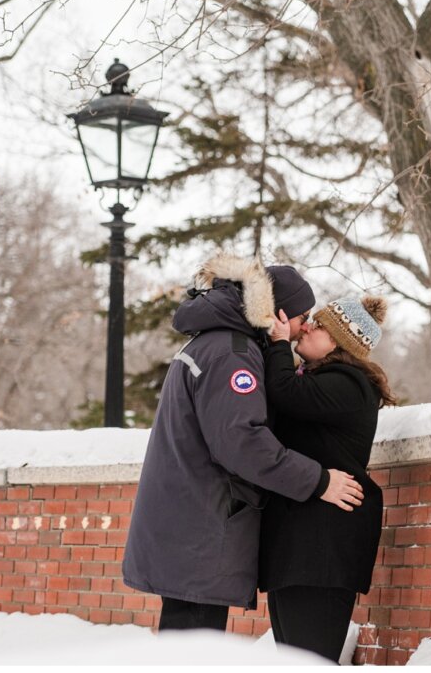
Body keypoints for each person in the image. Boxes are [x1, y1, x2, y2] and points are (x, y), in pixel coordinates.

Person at [122, 253, 365, 632]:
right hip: (202, 526)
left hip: (191, 522)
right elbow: (242, 443)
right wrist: (318, 481)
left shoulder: (216, 344)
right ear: (278, 315)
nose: (304, 329)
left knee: (184, 647)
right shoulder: (232, 355)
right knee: (193, 651)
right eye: (303, 317)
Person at [258, 295, 397, 663]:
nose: (305, 327)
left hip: (322, 552)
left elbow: (285, 391)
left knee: (310, 661)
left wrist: (276, 343)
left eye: (316, 325)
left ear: (336, 341)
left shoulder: (348, 384)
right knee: (293, 661)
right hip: (298, 548)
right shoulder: (323, 380)